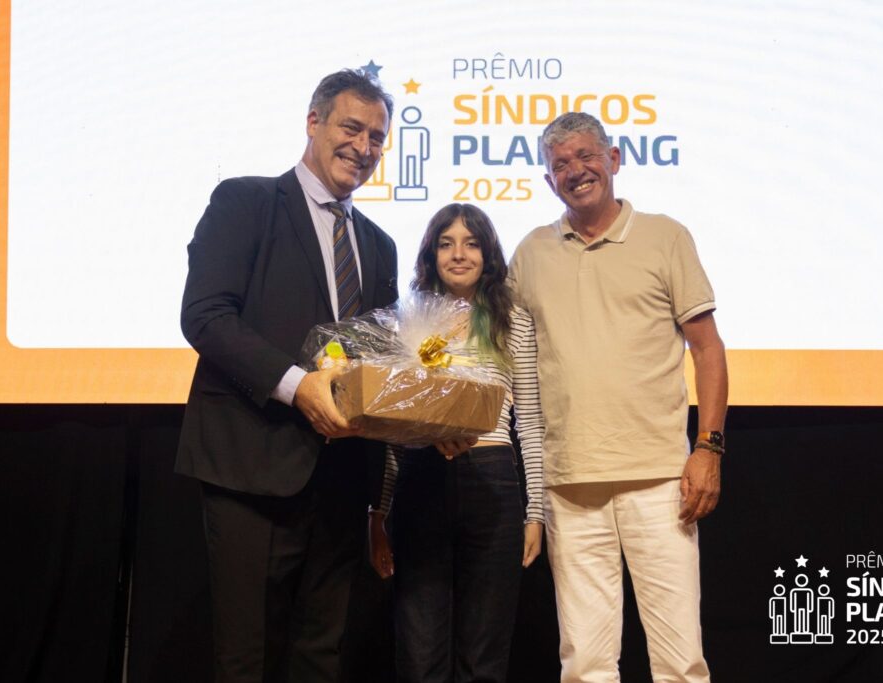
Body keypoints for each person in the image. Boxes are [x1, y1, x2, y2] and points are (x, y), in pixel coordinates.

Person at [175, 69, 398, 683]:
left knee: (321, 656)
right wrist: (298, 386)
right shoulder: (244, 202)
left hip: (343, 478)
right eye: (351, 127)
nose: (363, 146)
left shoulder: (379, 245)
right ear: (313, 122)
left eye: (377, 137)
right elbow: (205, 316)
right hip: (251, 466)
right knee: (246, 657)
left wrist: (430, 420)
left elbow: (378, 362)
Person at [509, 112, 728, 682]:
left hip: (661, 481)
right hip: (569, 484)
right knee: (584, 665)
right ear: (548, 179)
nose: (575, 171)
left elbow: (707, 349)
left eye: (586, 156)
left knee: (680, 662)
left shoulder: (665, 236)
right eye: (560, 164)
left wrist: (709, 448)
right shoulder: (530, 253)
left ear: (614, 159)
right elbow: (509, 358)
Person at [368, 203, 545, 683]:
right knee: (419, 652)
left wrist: (536, 512)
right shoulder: (409, 321)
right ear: (431, 255)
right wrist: (378, 512)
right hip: (421, 482)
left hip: (493, 483)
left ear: (488, 254)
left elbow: (530, 420)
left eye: (471, 243)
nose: (459, 254)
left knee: (484, 655)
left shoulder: (512, 319)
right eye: (446, 244)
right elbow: (390, 429)